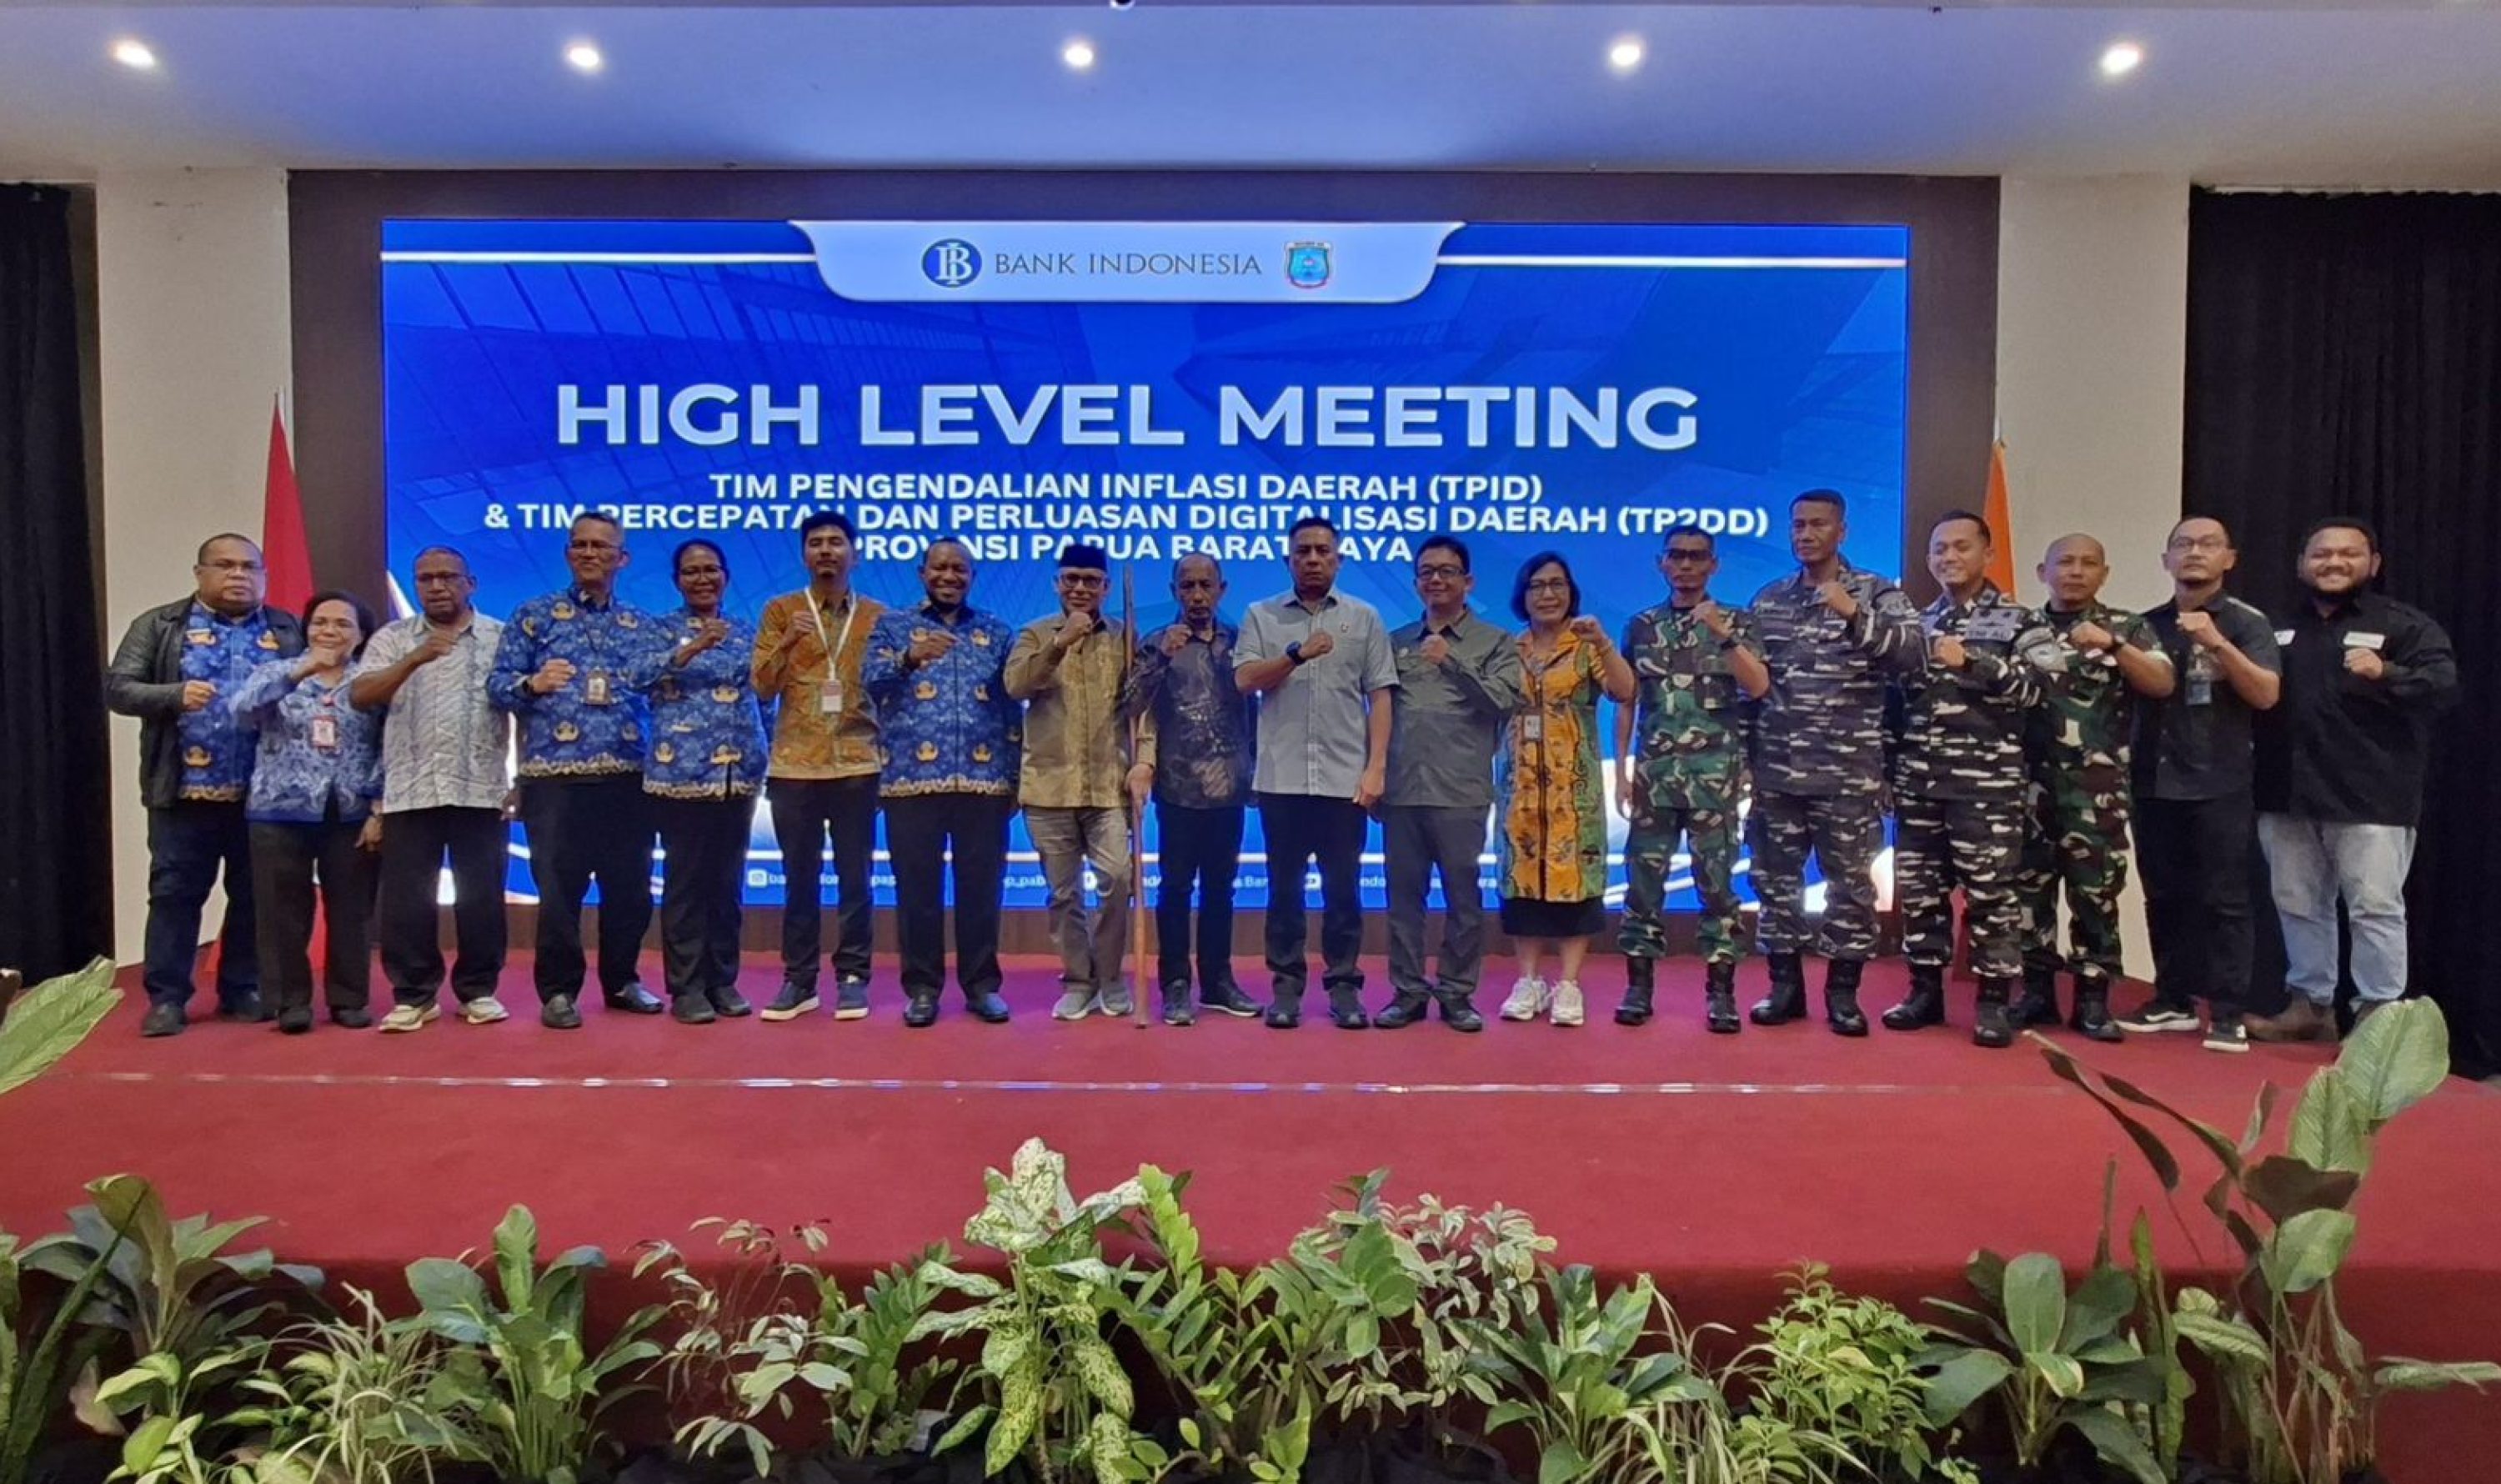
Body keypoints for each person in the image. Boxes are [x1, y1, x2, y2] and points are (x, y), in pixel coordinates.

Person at [2245, 518, 2458, 1041]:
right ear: (2302, 563)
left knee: (2374, 908)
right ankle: (2311, 1006)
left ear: (2373, 564)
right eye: (2321, 554)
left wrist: (2387, 673)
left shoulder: (2404, 625)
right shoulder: (2275, 626)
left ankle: (2378, 1019)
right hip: (2285, 790)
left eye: (2349, 554)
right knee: (2296, 902)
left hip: (2372, 795)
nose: (2334, 562)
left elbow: (2443, 687)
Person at [105, 533, 306, 1037]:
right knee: (175, 894)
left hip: (264, 794)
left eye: (249, 567)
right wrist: (173, 695)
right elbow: (118, 688)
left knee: (253, 896)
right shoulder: (161, 625)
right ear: (200, 573)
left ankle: (241, 989)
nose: (238, 576)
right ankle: (168, 998)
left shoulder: (285, 627)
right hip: (182, 791)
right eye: (225, 565)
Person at [1745, 490, 1923, 1035]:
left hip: (1847, 772)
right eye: (1798, 525)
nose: (1806, 534)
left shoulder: (1876, 592)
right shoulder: (1770, 599)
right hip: (1778, 769)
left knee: (1849, 888)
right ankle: (1785, 988)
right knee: (1775, 883)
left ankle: (1843, 994)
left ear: (1841, 531)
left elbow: (1913, 656)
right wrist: (1747, 758)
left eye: (1818, 524)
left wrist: (1854, 615)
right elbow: (1751, 685)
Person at [1879, 513, 2057, 1048]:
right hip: (1919, 784)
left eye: (1961, 547)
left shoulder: (2020, 621)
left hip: (1986, 789)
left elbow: (2044, 689)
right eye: (1940, 549)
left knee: (1991, 896)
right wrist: (1888, 772)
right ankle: (1924, 993)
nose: (1949, 558)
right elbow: (1894, 708)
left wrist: (1974, 663)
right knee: (1921, 894)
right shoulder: (1916, 625)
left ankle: (1993, 1003)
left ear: (1988, 554)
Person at [489, 511, 661, 1030]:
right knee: (560, 893)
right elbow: (497, 686)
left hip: (628, 779)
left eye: (601, 546)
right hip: (554, 779)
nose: (589, 553)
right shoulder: (534, 616)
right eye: (579, 545)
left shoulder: (642, 625)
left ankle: (622, 981)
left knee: (631, 890)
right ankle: (560, 992)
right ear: (567, 554)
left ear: (622, 558)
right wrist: (532, 684)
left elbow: (662, 694)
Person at [2118, 516, 2283, 1053]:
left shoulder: (2246, 622)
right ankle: (2173, 999)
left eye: (2208, 544)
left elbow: (2266, 695)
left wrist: (2217, 643)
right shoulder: (2144, 625)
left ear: (2228, 559)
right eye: (2183, 544)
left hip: (2219, 779)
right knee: (2164, 894)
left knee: (2225, 899)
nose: (2194, 552)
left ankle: (2228, 1011)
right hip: (2152, 778)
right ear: (2166, 560)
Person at [1234, 517, 1399, 1030]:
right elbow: (1245, 680)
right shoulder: (1261, 615)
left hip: (1343, 780)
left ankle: (1345, 988)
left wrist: (1375, 769)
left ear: (1338, 559)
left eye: (1322, 551)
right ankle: (1285, 989)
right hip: (1281, 780)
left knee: (1343, 893)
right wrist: (1296, 654)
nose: (1312, 559)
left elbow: (1380, 695)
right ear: (1288, 559)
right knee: (1284, 893)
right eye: (1302, 550)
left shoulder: (1364, 617)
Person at [2014, 534, 2173, 1043]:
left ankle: (2092, 999)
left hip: (2094, 791)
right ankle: (2036, 992)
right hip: (2026, 788)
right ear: (2042, 572)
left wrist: (2114, 646)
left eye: (2088, 563)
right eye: (2065, 562)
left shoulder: (2127, 626)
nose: (2076, 571)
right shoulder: (2020, 627)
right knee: (2028, 895)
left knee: (2096, 897)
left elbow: (2161, 683)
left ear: (2104, 574)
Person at [349, 546, 514, 1033]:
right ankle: (415, 995)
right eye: (425, 579)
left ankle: (478, 991)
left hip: (480, 788)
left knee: (481, 898)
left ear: (470, 583)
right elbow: (360, 695)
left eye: (448, 577)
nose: (437, 586)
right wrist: (415, 658)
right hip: (410, 789)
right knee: (407, 901)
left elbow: (522, 707)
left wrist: (521, 780)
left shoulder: (500, 638)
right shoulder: (392, 638)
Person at [1615, 525, 1769, 1033]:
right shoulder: (1641, 626)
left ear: (1713, 565)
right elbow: (1627, 700)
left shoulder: (1737, 622)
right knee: (1643, 886)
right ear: (1661, 563)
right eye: (1677, 556)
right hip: (1654, 778)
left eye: (1697, 557)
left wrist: (1723, 634)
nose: (1686, 565)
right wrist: (1621, 769)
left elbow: (1758, 686)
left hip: (1715, 780)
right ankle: (1639, 987)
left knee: (1718, 889)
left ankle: (1721, 992)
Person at [863, 539, 1021, 1027]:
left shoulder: (997, 631)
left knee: (982, 891)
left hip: (984, 782)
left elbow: (1011, 707)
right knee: (917, 893)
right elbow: (869, 682)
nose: (949, 576)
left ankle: (982, 986)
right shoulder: (892, 626)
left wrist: (1016, 776)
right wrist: (908, 659)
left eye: (959, 569)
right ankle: (922, 989)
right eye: (939, 568)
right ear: (922, 573)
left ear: (972, 576)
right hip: (911, 781)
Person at [1376, 538, 1524, 1034]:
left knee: (1463, 899)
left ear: (1468, 581)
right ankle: (1408, 992)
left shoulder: (1496, 642)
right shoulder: (1396, 641)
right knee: (1403, 901)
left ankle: (1457, 993)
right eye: (1426, 572)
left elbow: (1505, 701)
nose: (1436, 579)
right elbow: (1378, 713)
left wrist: (1451, 662)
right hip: (1402, 791)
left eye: (1447, 571)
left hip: (1461, 791)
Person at [751, 511, 887, 1021]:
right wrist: (788, 640)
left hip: (858, 763)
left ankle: (853, 978)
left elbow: (890, 688)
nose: (826, 550)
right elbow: (761, 685)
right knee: (799, 879)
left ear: (855, 553)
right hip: (795, 766)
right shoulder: (780, 610)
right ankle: (799, 980)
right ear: (804, 554)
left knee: (856, 879)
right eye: (816, 543)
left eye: (836, 542)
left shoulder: (876, 616)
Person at [230, 591, 384, 1035]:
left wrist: (379, 807)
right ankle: (290, 1002)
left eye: (342, 624)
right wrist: (301, 671)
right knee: (282, 912)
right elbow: (241, 712)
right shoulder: (276, 671)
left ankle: (349, 999)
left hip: (350, 810)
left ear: (361, 635)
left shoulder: (372, 682)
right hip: (279, 810)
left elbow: (389, 744)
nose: (330, 631)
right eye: (320, 622)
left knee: (351, 910)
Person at [627, 539, 768, 1025]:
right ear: (677, 581)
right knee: (686, 884)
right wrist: (691, 648)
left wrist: (766, 755)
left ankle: (722, 980)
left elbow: (763, 699)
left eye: (711, 570)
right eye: (691, 572)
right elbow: (635, 677)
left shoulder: (746, 632)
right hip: (681, 775)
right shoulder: (657, 630)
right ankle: (686, 986)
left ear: (726, 577)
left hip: (738, 776)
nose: (703, 579)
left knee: (726, 884)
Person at [1495, 554, 1637, 1027]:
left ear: (1571, 592)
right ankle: (1529, 980)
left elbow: (1624, 691)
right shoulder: (1508, 648)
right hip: (1519, 789)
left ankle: (1569, 984)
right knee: (1523, 882)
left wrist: (1605, 644)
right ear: (1523, 595)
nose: (1548, 594)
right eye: (1537, 585)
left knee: (1575, 884)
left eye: (1557, 584)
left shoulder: (1586, 645)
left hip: (1572, 791)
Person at [1120, 554, 1261, 1026]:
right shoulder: (1155, 642)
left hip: (1230, 785)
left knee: (1221, 889)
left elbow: (1256, 711)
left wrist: (1255, 772)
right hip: (1177, 788)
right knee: (1176, 890)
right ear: (1175, 591)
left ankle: (1218, 982)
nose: (1197, 595)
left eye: (1206, 585)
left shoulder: (1241, 643)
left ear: (1222, 589)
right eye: (1188, 586)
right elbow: (1129, 706)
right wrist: (1162, 658)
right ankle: (1175, 985)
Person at [1006, 542, 1136, 1020]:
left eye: (1090, 581)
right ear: (1058, 584)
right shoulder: (1035, 633)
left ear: (1105, 587)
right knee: (1064, 895)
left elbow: (1140, 708)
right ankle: (1079, 980)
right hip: (1049, 786)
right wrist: (1060, 643)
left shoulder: (1125, 637)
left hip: (1108, 786)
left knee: (1117, 881)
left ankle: (1111, 977)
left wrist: (1144, 761)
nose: (1081, 588)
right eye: (1071, 580)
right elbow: (1016, 686)